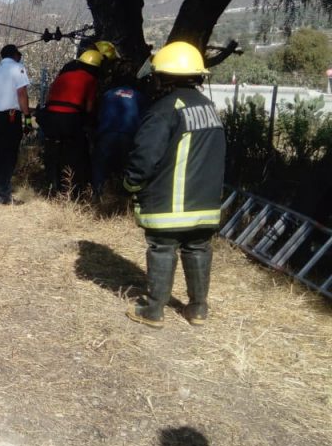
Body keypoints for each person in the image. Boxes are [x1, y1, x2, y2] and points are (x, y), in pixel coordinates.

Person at [124, 41, 226, 328]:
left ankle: (153, 310)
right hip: (205, 204)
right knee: (198, 247)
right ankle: (198, 309)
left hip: (169, 203)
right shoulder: (209, 108)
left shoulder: (165, 109)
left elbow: (145, 155)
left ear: (163, 76)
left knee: (163, 247)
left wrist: (131, 183)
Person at [39, 49, 102, 194]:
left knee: (52, 152)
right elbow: (89, 107)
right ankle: (74, 188)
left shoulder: (63, 75)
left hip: (50, 118)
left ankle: (52, 186)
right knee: (76, 153)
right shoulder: (90, 79)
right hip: (70, 119)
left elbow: (49, 98)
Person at [0, 44, 31, 205]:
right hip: (11, 117)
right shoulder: (18, 69)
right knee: (9, 156)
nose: (20, 56)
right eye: (19, 54)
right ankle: (4, 196)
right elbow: (22, 94)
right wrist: (27, 118)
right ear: (14, 55)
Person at [91, 61, 144, 197]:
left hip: (107, 134)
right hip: (129, 135)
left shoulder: (108, 94)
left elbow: (99, 115)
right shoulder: (138, 96)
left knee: (100, 167)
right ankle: (125, 197)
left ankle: (98, 195)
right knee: (126, 167)